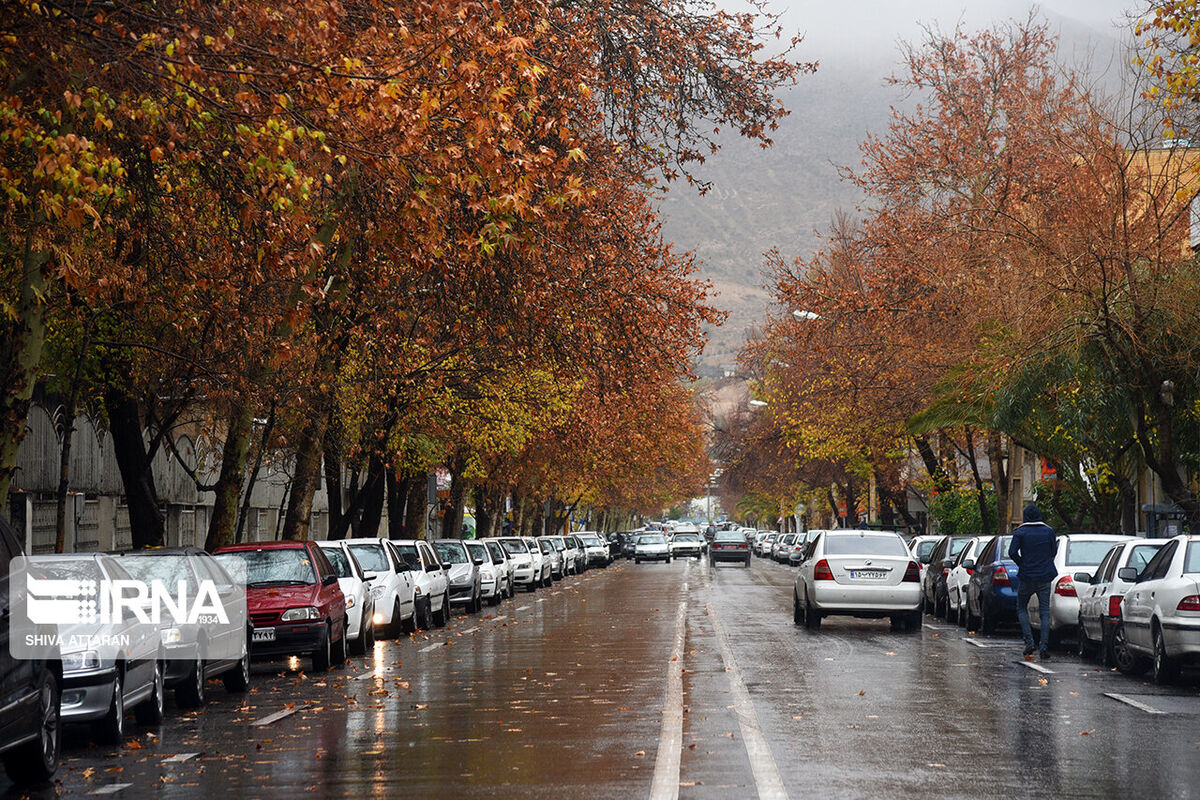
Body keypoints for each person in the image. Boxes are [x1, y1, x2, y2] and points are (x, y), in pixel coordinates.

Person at [1008, 504, 1057, 660]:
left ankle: (1029, 642)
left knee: (1022, 607)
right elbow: (1053, 551)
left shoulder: (1021, 532)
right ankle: (1044, 647)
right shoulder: (1049, 531)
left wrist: (1022, 563)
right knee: (1044, 612)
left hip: (1027, 576)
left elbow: (1012, 552)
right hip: (1044, 577)